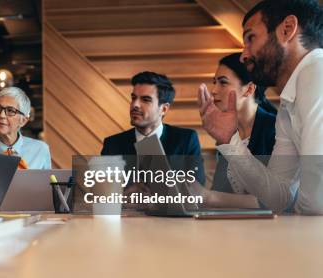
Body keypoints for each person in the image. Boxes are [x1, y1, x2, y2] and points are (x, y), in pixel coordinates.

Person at [198, 0, 323, 214]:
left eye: (250, 38)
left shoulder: (317, 72)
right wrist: (231, 141)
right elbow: (279, 198)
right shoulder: (287, 103)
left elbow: (316, 202)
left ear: (287, 29)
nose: (243, 55)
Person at [101, 71, 206, 185]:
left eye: (145, 100)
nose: (135, 104)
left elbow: (197, 194)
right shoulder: (112, 144)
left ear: (164, 109)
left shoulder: (186, 140)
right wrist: (124, 198)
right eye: (133, 97)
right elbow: (103, 197)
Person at [210, 53, 277, 194]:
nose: (214, 90)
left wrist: (210, 198)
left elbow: (277, 199)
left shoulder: (276, 129)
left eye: (223, 82)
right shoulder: (228, 132)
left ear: (249, 89)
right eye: (214, 82)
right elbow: (220, 191)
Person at [0, 87, 51, 171]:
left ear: (23, 121)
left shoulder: (41, 150)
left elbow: (46, 183)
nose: (1, 115)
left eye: (10, 111)